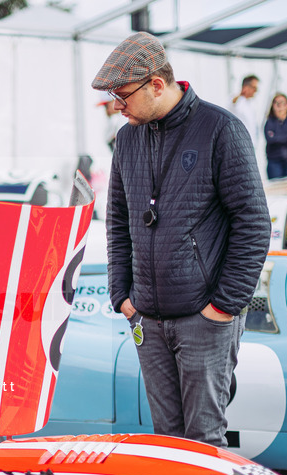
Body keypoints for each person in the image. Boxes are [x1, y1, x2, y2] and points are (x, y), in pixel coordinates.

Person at [92, 32, 270, 448]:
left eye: (123, 95)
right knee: (168, 443)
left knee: (205, 442)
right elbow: (117, 221)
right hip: (147, 320)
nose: (118, 106)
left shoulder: (221, 129)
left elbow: (254, 223)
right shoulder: (128, 138)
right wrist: (122, 296)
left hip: (203, 319)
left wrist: (224, 306)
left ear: (157, 84)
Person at [264, 93, 287, 179]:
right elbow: (270, 139)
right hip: (274, 161)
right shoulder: (269, 123)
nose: (280, 107)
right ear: (273, 106)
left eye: (283, 103)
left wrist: (278, 138)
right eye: (277, 103)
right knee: (276, 187)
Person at [230, 74, 260, 147]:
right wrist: (241, 93)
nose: (256, 91)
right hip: (239, 144)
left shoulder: (250, 103)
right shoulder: (237, 101)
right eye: (254, 88)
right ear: (246, 87)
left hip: (250, 144)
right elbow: (233, 103)